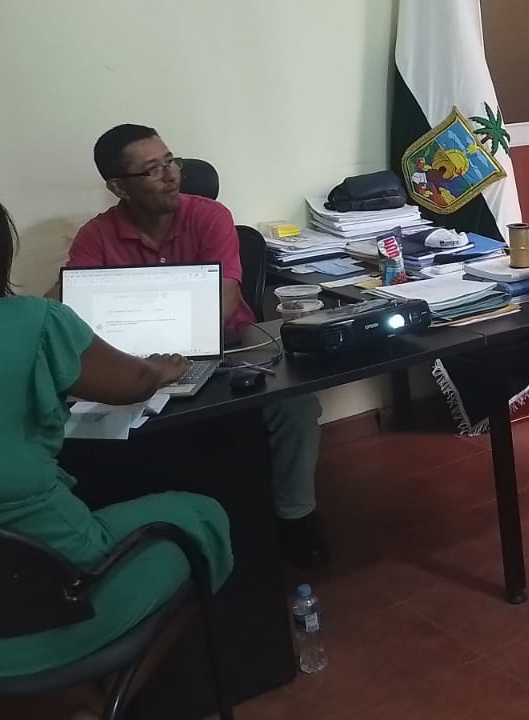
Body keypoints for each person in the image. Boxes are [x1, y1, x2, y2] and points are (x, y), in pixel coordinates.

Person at [0, 169, 233, 686]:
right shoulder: (30, 321)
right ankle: (108, 703)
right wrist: (161, 369)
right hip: (56, 600)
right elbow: (132, 383)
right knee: (202, 517)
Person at [55, 124, 328, 569]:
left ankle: (296, 517)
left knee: (295, 407)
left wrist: (168, 352)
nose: (171, 175)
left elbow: (225, 301)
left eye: (171, 162)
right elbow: (70, 309)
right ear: (118, 187)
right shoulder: (97, 235)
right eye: (152, 169)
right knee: (81, 421)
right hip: (134, 360)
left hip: (229, 347)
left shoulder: (209, 216)